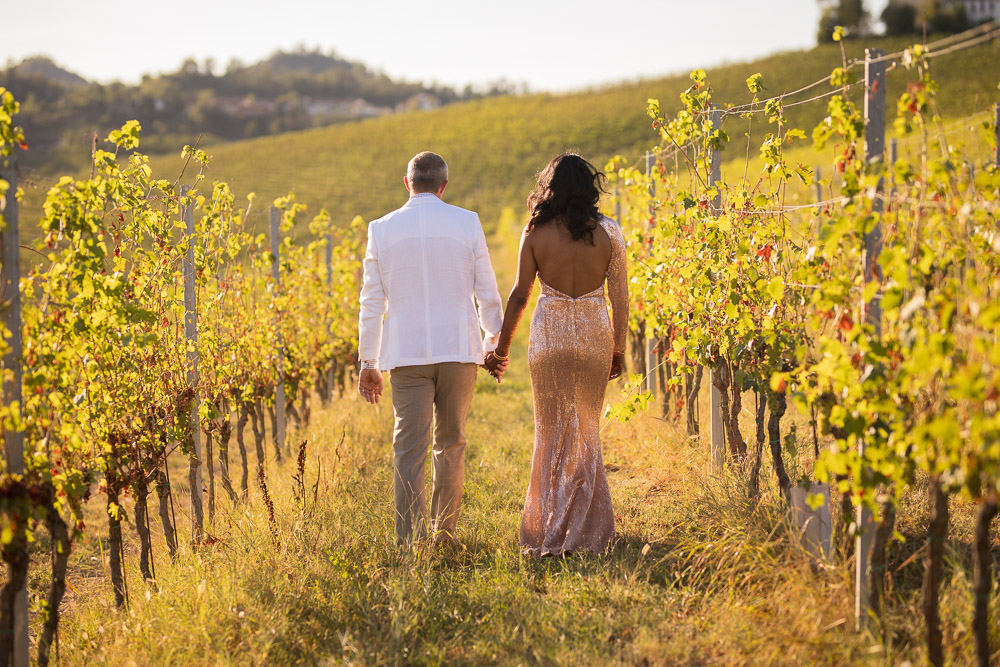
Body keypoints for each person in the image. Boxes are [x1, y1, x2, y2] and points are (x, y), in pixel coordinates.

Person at [357, 151, 508, 545]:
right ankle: (445, 532)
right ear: (444, 186)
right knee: (451, 441)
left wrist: (368, 360)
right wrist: (494, 343)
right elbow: (486, 290)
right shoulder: (467, 222)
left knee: (408, 448)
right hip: (458, 349)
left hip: (405, 356)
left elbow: (371, 302)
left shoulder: (380, 229)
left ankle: (410, 540)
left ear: (407, 183)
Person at [487, 153, 628, 557]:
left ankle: (545, 527)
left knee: (549, 434)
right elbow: (620, 297)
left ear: (548, 188)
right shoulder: (609, 232)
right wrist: (617, 349)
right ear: (588, 187)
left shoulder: (534, 232)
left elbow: (519, 295)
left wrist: (501, 349)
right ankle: (587, 532)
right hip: (593, 337)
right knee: (586, 431)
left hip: (548, 339)